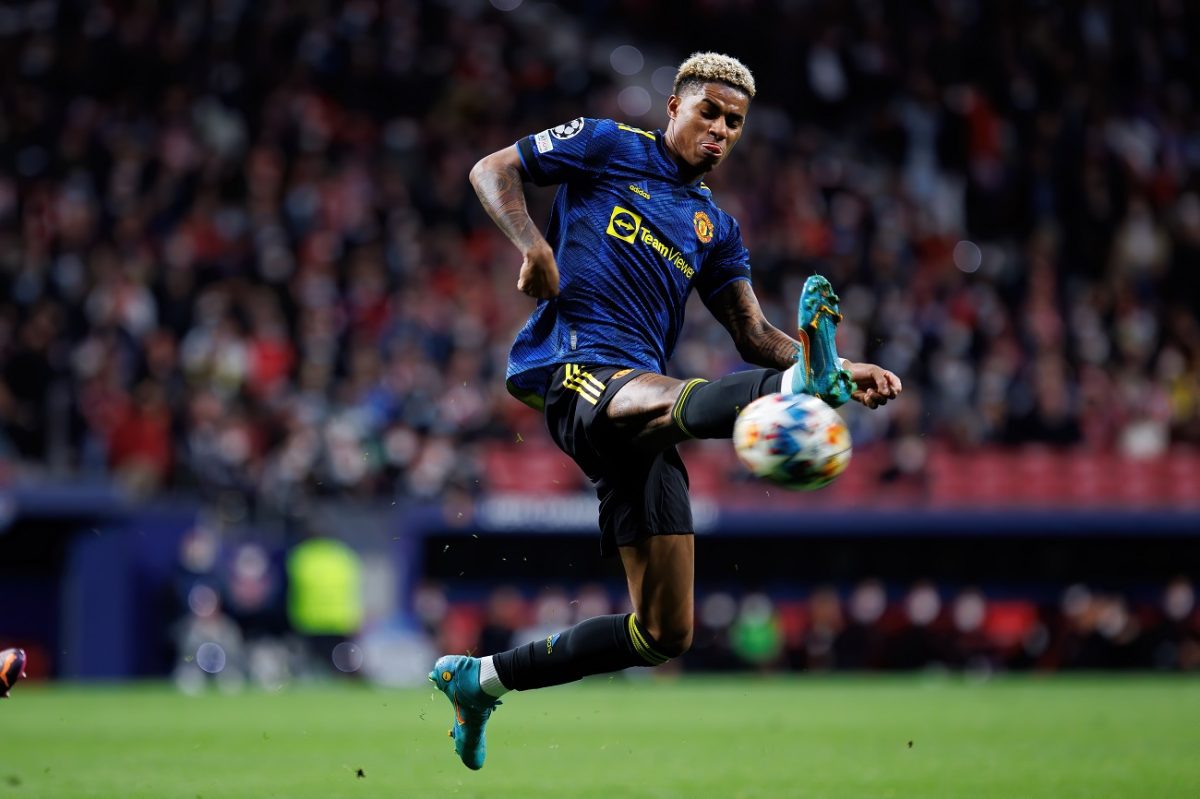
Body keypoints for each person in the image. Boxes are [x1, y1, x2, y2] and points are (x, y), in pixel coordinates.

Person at [431, 52, 902, 770]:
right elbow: (492, 169)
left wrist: (837, 367)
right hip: (577, 371)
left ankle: (481, 680)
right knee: (676, 395)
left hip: (642, 408)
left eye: (734, 123)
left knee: (663, 631)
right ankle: (800, 384)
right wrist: (533, 245)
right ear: (675, 107)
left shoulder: (716, 227)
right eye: (709, 112)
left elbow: (753, 335)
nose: (721, 130)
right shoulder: (607, 144)